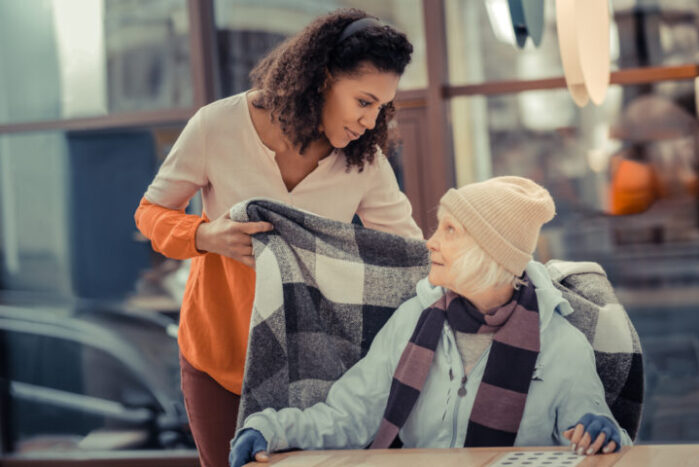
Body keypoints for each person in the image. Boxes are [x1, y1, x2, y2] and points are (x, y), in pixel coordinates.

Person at [134, 9, 422, 467]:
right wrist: (206, 235)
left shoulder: (365, 163)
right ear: (323, 76)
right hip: (217, 356)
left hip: (312, 367)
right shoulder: (217, 126)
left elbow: (408, 256)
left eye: (382, 108)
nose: (371, 122)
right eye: (364, 101)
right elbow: (150, 214)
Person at [229, 177, 632, 467]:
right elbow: (349, 418)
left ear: (489, 253)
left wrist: (600, 432)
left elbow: (590, 437)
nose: (430, 241)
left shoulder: (560, 343)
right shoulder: (413, 321)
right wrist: (269, 428)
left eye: (450, 230)